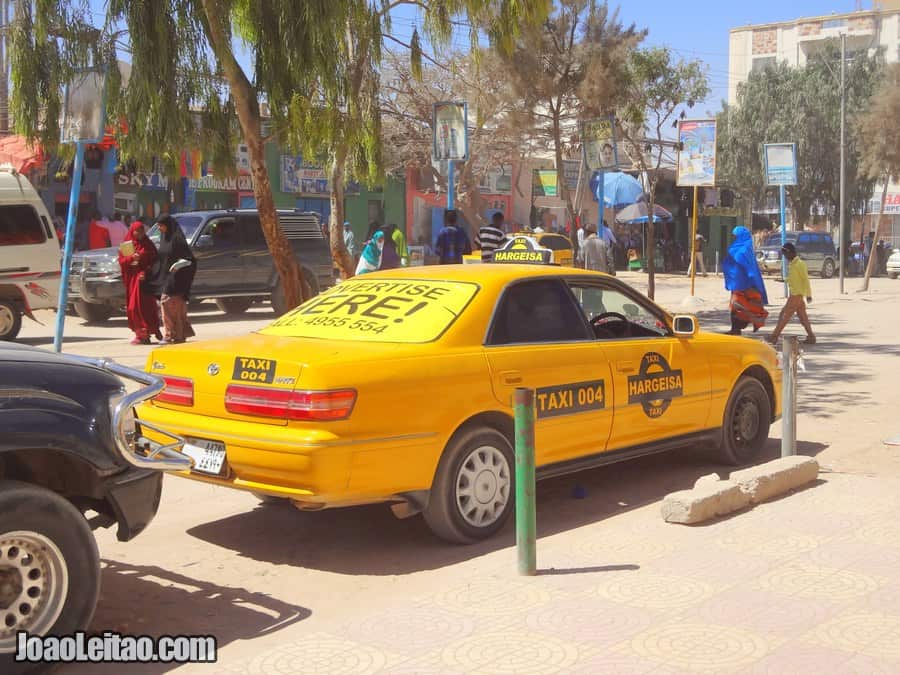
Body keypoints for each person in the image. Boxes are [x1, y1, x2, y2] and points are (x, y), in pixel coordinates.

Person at [149, 215, 196, 344]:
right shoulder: (164, 238)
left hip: (178, 278)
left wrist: (179, 264)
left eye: (161, 225)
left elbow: (190, 259)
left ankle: (170, 334)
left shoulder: (177, 240)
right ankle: (180, 334)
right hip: (167, 277)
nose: (159, 228)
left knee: (168, 304)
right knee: (174, 306)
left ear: (168, 225)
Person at [118, 220, 161, 345]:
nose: (140, 233)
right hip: (132, 279)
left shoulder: (148, 245)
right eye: (137, 231)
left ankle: (146, 333)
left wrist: (146, 270)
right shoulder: (127, 245)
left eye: (142, 231)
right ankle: (141, 334)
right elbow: (122, 261)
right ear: (132, 231)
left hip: (144, 280)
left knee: (143, 307)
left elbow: (155, 262)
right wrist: (132, 258)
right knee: (133, 308)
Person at [722, 225, 769, 335]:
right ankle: (739, 327)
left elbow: (744, 263)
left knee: (736, 304)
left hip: (743, 282)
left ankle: (755, 320)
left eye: (736, 236)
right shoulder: (741, 247)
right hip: (737, 282)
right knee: (736, 305)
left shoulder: (743, 249)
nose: (734, 238)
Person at [767, 242, 815, 345]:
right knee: (803, 317)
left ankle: (774, 337)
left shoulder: (800, 264)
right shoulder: (793, 264)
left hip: (796, 296)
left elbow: (805, 279)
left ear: (790, 252)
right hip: (796, 295)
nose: (785, 257)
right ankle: (811, 337)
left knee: (784, 315)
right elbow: (794, 278)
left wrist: (809, 295)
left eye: (785, 255)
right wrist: (784, 280)